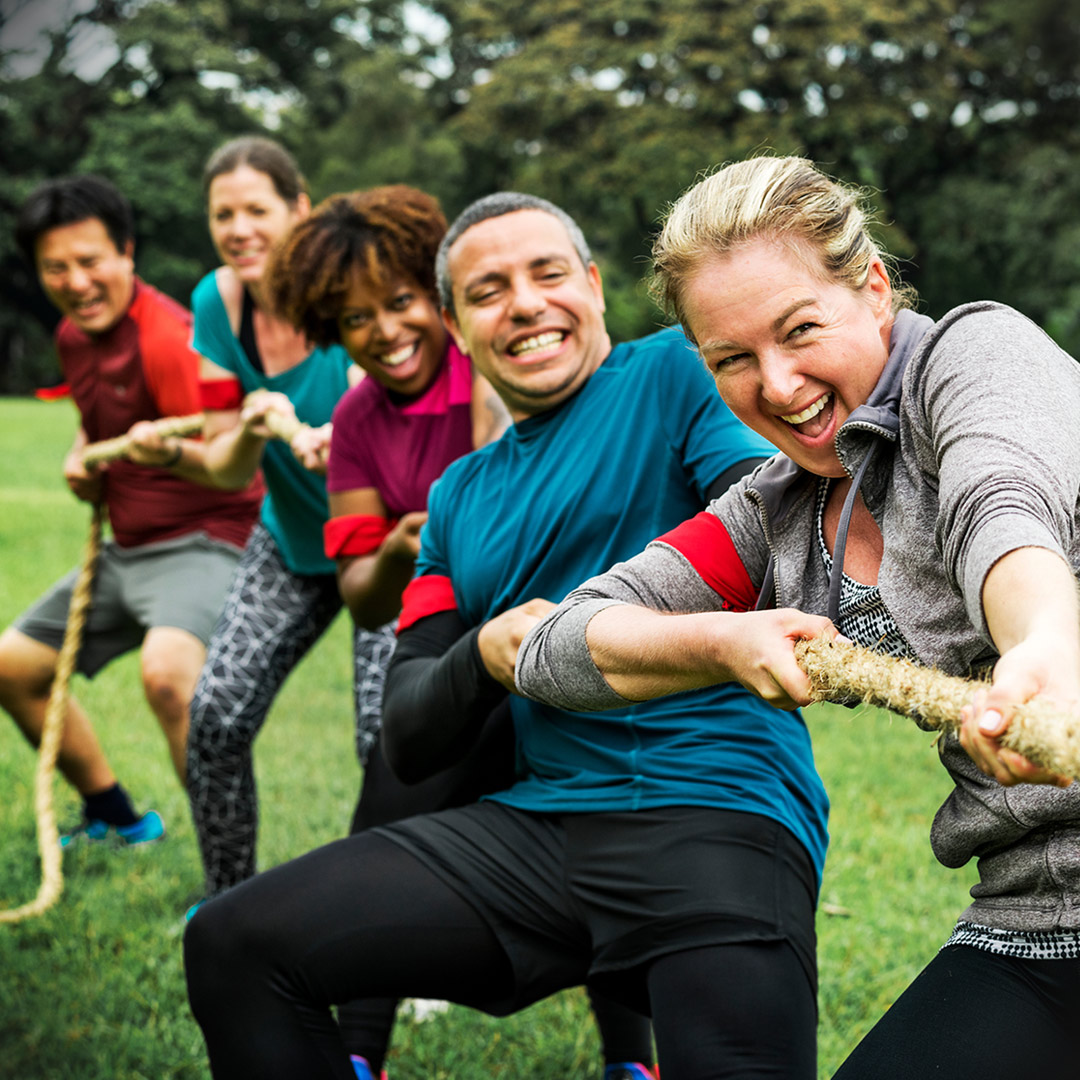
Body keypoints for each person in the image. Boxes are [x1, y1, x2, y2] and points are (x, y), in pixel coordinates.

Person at [185, 191, 829, 1080]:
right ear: (456, 325)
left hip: (715, 816)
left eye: (548, 274)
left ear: (595, 287)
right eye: (488, 291)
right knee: (231, 942)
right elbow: (409, 733)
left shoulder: (674, 377)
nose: (524, 303)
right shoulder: (456, 500)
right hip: (543, 834)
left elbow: (772, 525)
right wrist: (485, 651)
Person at [514, 156, 1080, 1078]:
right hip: (1037, 916)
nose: (776, 385)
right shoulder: (773, 513)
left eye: (800, 330)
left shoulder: (975, 358)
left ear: (874, 289)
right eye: (732, 359)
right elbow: (558, 649)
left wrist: (1045, 649)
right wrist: (724, 639)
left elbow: (1003, 511)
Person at [266, 185, 650, 1080]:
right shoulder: (359, 421)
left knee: (608, 822)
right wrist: (408, 543)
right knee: (386, 808)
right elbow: (362, 595)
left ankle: (633, 1060)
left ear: (437, 307)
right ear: (332, 330)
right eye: (353, 318)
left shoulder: (496, 362)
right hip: (451, 649)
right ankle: (360, 1052)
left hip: (567, 635)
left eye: (399, 303)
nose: (385, 330)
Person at [0, 175, 262, 845]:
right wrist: (82, 457)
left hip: (207, 539)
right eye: (56, 267)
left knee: (169, 676)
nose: (76, 281)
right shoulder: (73, 337)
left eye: (91, 262)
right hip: (127, 549)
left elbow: (232, 459)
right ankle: (118, 818)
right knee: (13, 666)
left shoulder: (171, 338)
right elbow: (101, 421)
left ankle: (231, 874)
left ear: (127, 254)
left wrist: (162, 456)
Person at [185, 136, 395, 905]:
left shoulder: (351, 289)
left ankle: (407, 931)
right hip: (294, 539)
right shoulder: (218, 303)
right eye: (222, 214)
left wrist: (359, 441)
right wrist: (253, 422)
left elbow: (425, 402)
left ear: (298, 210)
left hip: (391, 541)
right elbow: (223, 467)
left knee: (388, 742)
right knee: (214, 715)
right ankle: (226, 903)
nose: (238, 229)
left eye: (255, 210)